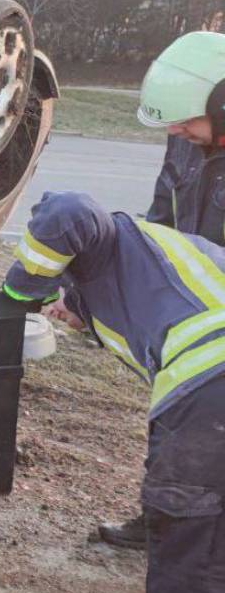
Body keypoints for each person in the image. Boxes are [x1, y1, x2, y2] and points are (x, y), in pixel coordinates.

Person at [5, 190, 225, 593]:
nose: (58, 312)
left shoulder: (108, 239)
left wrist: (19, 294)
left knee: (189, 552)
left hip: (213, 387)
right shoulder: (149, 270)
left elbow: (68, 212)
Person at [96, 30, 225, 550]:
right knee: (172, 418)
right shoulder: (189, 138)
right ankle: (163, 522)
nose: (176, 129)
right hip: (189, 318)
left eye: (187, 120)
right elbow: (162, 217)